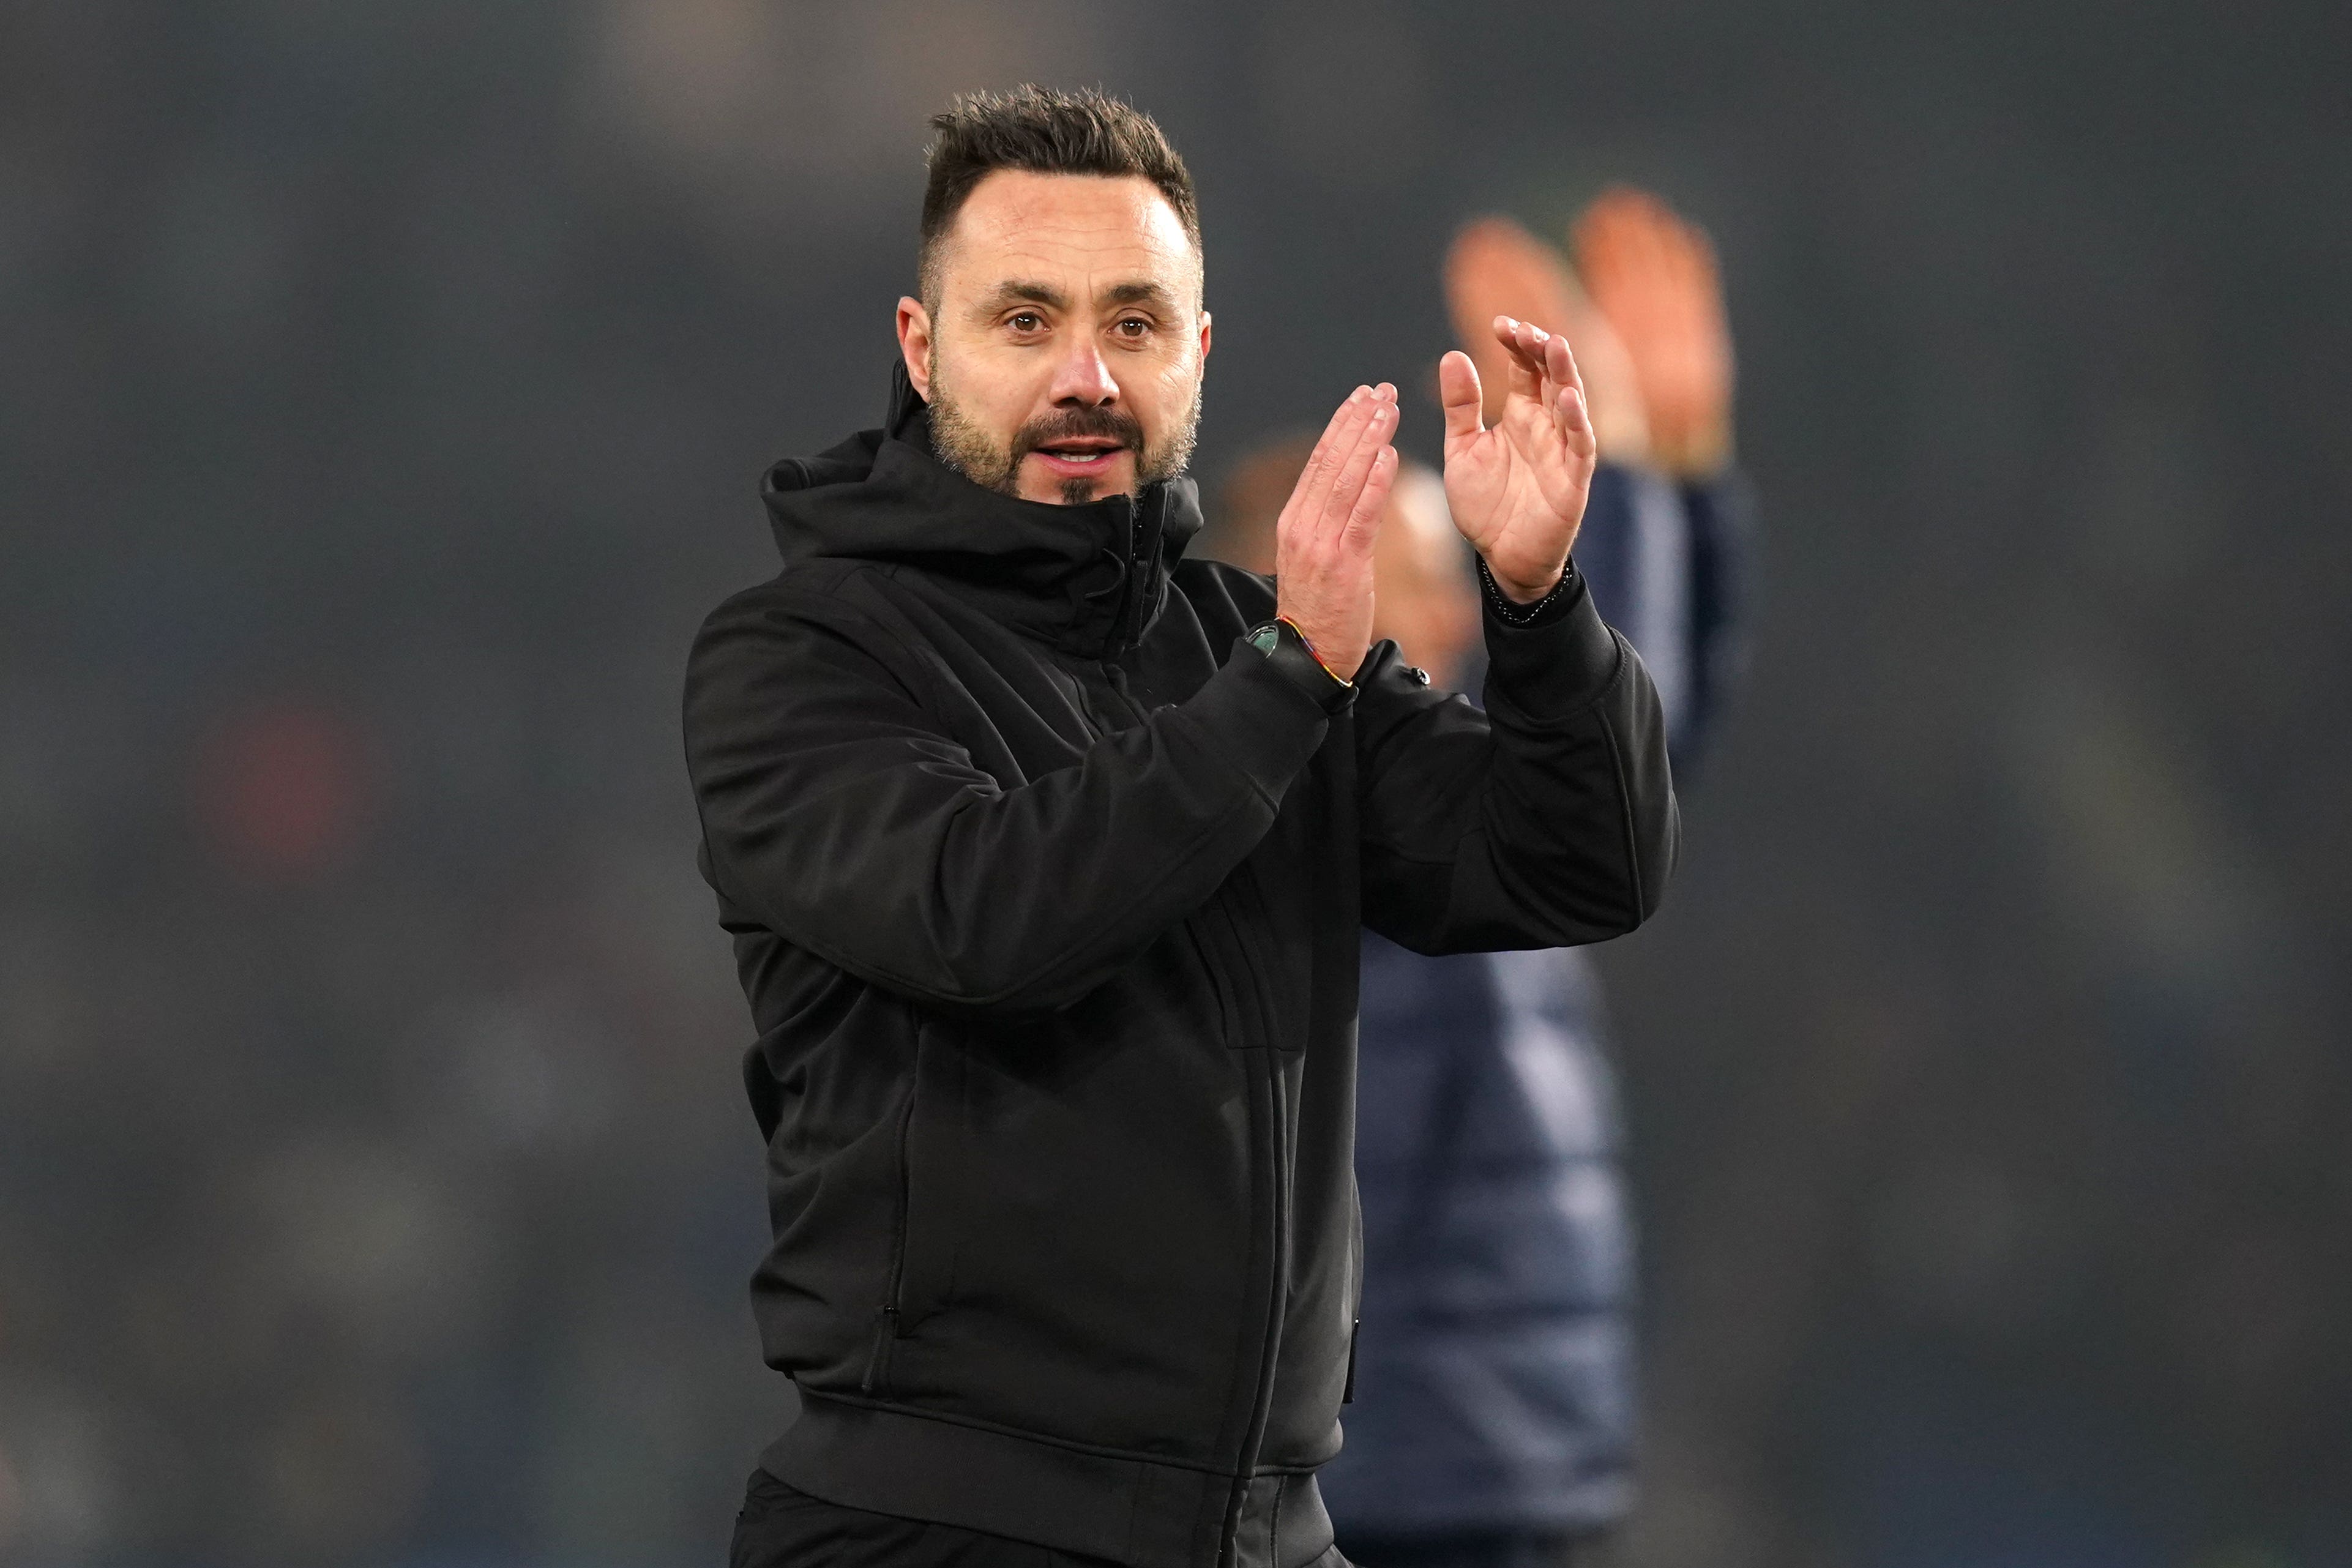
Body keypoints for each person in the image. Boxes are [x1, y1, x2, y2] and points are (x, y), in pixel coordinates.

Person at [680, 86, 1679, 1568]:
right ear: (919, 345)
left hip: (1267, 1533)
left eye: (1134, 325)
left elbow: (1574, 859)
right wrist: (1287, 680)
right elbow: (984, 919)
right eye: (1024, 320)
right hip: (940, 1530)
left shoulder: (1249, 649)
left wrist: (1537, 605)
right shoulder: (801, 658)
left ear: (1196, 354)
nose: (1085, 375)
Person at [1202, 195, 1750, 1568]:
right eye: (1420, 569)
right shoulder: (1289, 796)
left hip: (1464, 1439)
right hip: (1397, 1455)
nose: (1459, 613)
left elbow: (1631, 774)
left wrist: (1674, 483)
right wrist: (1615, 486)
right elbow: (1589, 782)